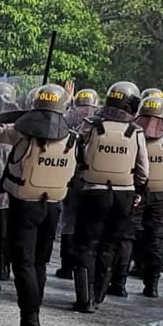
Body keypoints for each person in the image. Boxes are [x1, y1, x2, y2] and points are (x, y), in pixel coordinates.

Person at [0, 84, 78, 326]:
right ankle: (34, 317)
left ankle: (30, 323)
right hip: (53, 206)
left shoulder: (22, 134)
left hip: (24, 204)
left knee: (23, 263)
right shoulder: (71, 137)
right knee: (39, 263)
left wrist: (13, 117)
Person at [70, 82, 149, 313]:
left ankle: (84, 299)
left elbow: (75, 152)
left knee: (85, 245)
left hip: (92, 191)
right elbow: (143, 169)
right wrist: (139, 190)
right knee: (110, 245)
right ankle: (98, 296)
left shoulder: (91, 125)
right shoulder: (136, 132)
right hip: (124, 194)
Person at [121, 94, 163, 299]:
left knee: (127, 235)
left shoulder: (131, 134)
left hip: (135, 192)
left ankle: (119, 282)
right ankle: (152, 286)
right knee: (156, 238)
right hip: (160, 195)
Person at [55, 88, 101, 279]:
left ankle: (67, 266)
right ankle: (83, 267)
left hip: (70, 175)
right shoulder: (99, 121)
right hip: (91, 178)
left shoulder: (67, 118)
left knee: (69, 221)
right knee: (89, 223)